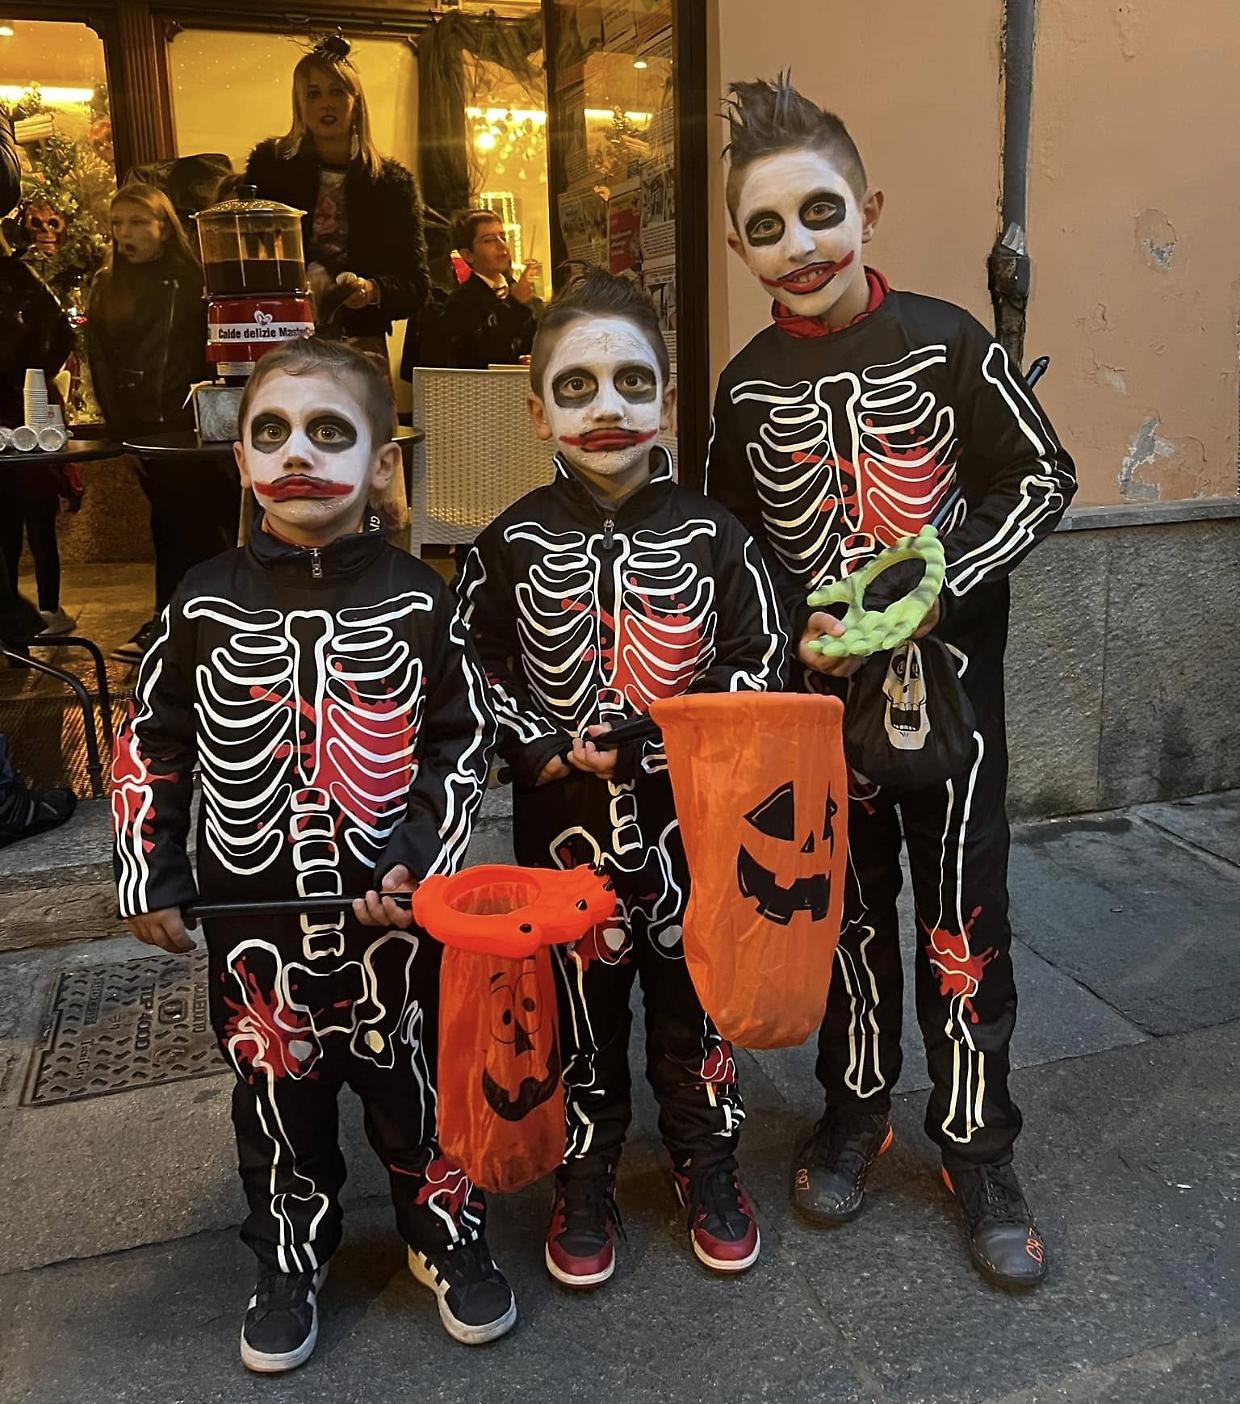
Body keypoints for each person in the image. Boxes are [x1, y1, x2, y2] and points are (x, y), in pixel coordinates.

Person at [705, 75, 1077, 1291]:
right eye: (766, 227)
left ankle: (976, 1145)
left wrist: (936, 579)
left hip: (954, 702)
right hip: (825, 717)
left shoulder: (949, 341)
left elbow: (1041, 476)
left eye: (819, 212)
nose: (798, 245)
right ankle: (854, 1109)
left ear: (866, 209)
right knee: (849, 922)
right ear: (738, 249)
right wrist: (782, 650)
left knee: (966, 925)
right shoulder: (744, 386)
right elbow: (731, 551)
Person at [110, 337, 512, 1373]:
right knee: (275, 1094)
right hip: (253, 916)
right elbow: (151, 740)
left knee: (413, 1080)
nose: (298, 453)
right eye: (272, 433)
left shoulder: (422, 601)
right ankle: (290, 1250)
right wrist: (150, 869)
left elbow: (462, 738)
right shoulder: (200, 602)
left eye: (330, 433)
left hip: (394, 915)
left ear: (383, 463)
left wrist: (421, 858)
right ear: (241, 460)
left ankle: (442, 1228)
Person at [459, 268, 787, 1289]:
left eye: (632, 383)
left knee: (694, 1003)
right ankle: (584, 1172)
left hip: (691, 825)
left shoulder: (716, 535)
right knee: (576, 1007)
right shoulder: (508, 542)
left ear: (667, 402)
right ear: (538, 411)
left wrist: (658, 734)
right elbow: (467, 664)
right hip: (562, 829)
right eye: (577, 387)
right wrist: (541, 744)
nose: (607, 407)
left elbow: (759, 654)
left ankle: (706, 1158)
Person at [86, 183, 240, 662]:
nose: (124, 233)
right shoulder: (108, 285)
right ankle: (181, 624)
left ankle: (181, 624)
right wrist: (121, 433)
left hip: (193, 420)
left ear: (164, 227)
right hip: (145, 423)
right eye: (117, 223)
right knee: (174, 525)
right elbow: (101, 363)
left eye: (137, 222)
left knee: (192, 524)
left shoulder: (196, 281)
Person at [244, 38, 430, 360]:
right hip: (281, 334)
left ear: (356, 103)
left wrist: (371, 290)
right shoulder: (270, 169)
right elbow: (248, 256)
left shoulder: (391, 184)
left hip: (360, 341)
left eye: (337, 92)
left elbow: (416, 285)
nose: (326, 104)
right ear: (299, 105)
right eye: (313, 94)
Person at [0, 112, 78, 636]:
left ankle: (37, 610)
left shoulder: (16, 277)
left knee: (29, 521)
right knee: (17, 524)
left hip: (21, 418)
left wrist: (27, 377)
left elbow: (56, 332)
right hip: (20, 410)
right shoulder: (16, 277)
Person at [418, 208, 543, 369]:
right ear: (468, 255)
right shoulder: (459, 302)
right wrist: (515, 305)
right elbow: (479, 355)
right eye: (489, 240)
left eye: (503, 237)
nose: (501, 245)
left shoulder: (523, 295)